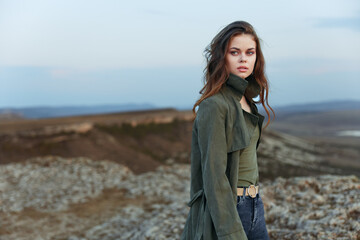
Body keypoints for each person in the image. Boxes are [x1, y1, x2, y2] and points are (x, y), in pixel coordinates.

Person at [181, 21, 274, 240]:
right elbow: (214, 178)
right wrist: (231, 233)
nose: (243, 59)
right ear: (222, 57)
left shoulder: (247, 100)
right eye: (235, 52)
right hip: (230, 209)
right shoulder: (214, 105)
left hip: (255, 206)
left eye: (250, 52)